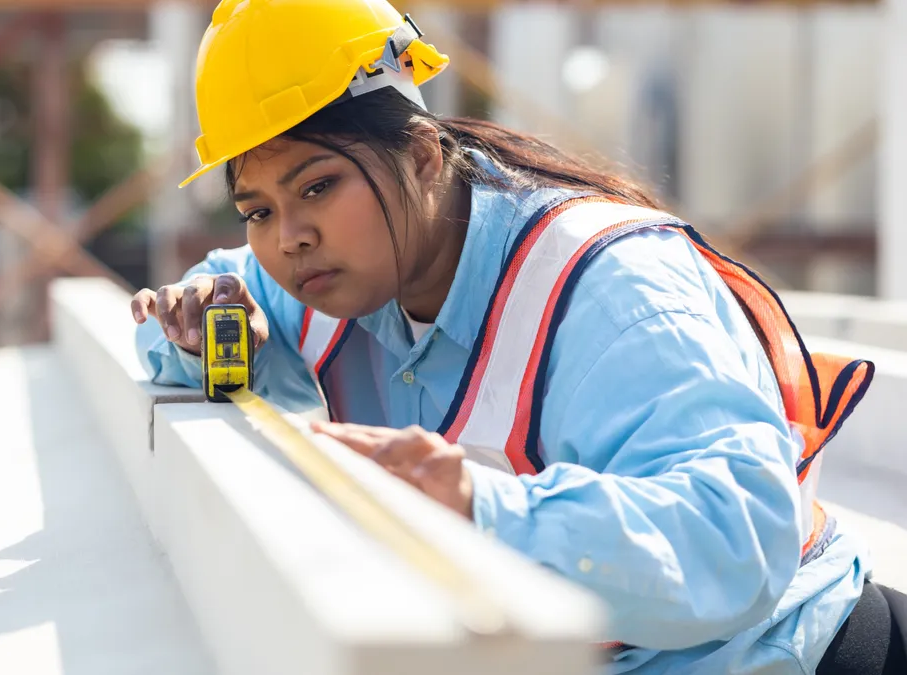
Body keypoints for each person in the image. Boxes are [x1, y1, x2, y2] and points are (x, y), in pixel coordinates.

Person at [131, 1, 904, 672]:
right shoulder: (322, 270)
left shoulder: (610, 287)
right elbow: (199, 306)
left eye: (317, 185)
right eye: (257, 209)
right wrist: (195, 330)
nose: (287, 238)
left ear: (425, 156)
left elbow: (739, 536)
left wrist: (482, 508)